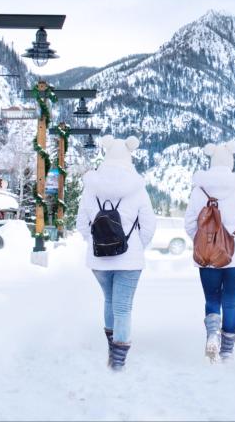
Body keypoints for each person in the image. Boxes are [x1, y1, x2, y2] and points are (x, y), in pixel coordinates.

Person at [76, 135, 157, 371]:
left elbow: (82, 224)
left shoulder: (90, 189)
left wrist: (97, 242)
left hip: (99, 260)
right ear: (129, 157)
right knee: (123, 307)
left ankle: (112, 351)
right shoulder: (138, 189)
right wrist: (135, 247)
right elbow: (149, 226)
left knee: (110, 301)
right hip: (129, 261)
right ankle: (118, 361)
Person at [184, 140, 235, 363]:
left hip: (207, 258)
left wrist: (206, 242)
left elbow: (189, 224)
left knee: (212, 300)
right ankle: (226, 352)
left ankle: (212, 335)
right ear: (231, 162)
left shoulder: (200, 190)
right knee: (230, 303)